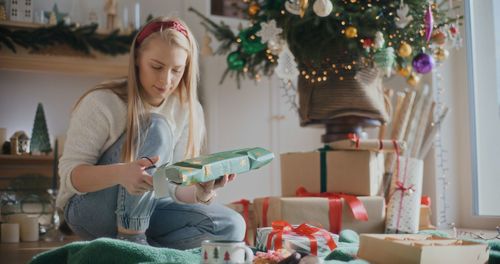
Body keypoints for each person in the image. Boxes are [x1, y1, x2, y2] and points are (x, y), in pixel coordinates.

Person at [56, 17, 245, 248]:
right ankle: (133, 242)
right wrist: (121, 174)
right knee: (156, 126)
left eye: (177, 70)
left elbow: (172, 186)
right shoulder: (102, 102)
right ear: (137, 58)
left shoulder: (190, 110)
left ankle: (129, 248)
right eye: (156, 67)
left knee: (232, 225)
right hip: (90, 211)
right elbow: (70, 178)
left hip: (152, 209)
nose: (166, 80)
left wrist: (200, 192)